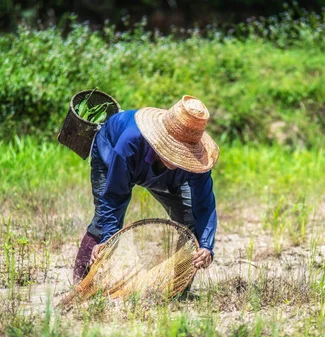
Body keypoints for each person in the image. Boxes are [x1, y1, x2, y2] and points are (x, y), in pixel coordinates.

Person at [73, 95, 219, 284]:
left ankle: (179, 289)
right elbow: (114, 197)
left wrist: (207, 246)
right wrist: (108, 242)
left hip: (162, 175)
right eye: (172, 152)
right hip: (112, 154)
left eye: (182, 155)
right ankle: (81, 283)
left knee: (190, 220)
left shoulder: (198, 161)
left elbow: (204, 206)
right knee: (104, 221)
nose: (176, 159)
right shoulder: (129, 142)